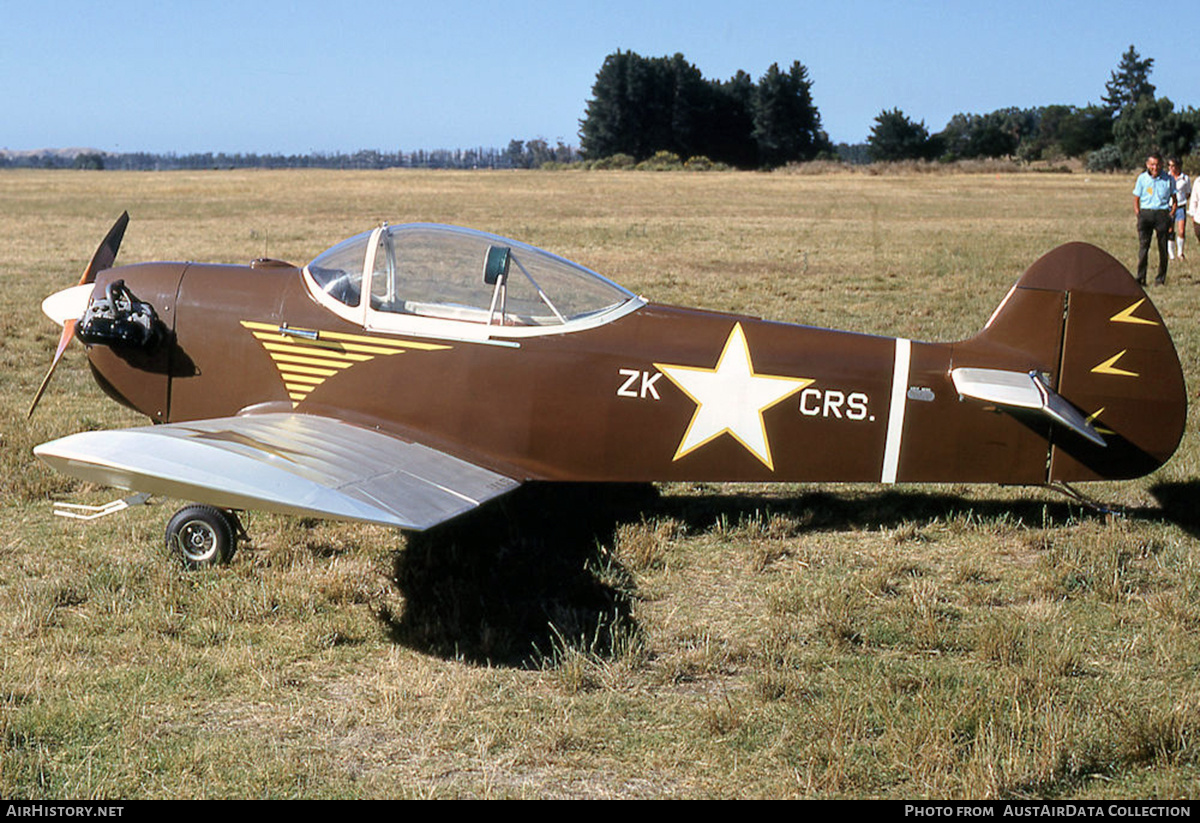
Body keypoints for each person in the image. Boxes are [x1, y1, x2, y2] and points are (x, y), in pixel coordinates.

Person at [1133, 152, 1177, 285]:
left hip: (1162, 214)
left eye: (1157, 164)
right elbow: (1136, 198)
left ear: (1162, 165)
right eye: (1152, 164)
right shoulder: (1142, 178)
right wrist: (1138, 213)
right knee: (1143, 248)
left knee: (1163, 248)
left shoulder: (1168, 179)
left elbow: (1174, 199)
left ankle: (1160, 278)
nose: (1155, 167)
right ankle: (1141, 278)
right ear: (1147, 164)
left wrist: (1171, 215)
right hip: (1146, 214)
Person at [1168, 157, 1190, 261]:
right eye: (1169, 166)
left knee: (1181, 230)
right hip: (1169, 206)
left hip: (1181, 206)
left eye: (1173, 166)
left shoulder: (1185, 178)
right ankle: (1171, 254)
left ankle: (1180, 252)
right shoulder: (1167, 177)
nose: (1171, 168)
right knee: (1170, 230)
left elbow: (1187, 192)